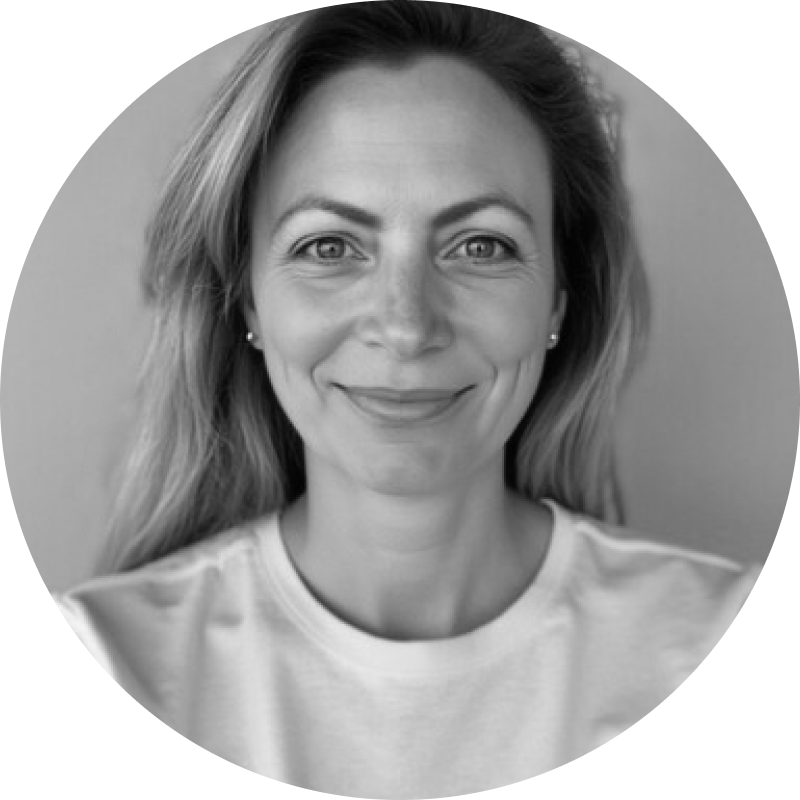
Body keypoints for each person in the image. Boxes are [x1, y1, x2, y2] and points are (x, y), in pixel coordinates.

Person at [52, 2, 760, 794]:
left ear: (560, 297)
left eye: (481, 245)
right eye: (329, 246)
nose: (405, 324)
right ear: (248, 302)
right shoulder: (112, 659)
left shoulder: (709, 636)